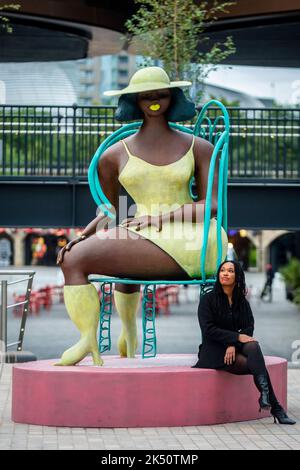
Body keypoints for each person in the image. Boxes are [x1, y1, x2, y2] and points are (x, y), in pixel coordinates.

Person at [55, 66, 228, 366]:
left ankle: (97, 341)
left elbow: (212, 206)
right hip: (137, 230)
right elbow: (117, 211)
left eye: (160, 94)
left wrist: (159, 219)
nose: (154, 101)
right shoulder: (113, 156)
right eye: (146, 96)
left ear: (173, 98)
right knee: (75, 255)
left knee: (81, 259)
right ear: (134, 101)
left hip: (191, 237)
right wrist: (83, 236)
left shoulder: (200, 147)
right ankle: (103, 336)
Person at [192, 260, 295, 424]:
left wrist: (233, 344)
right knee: (257, 364)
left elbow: (249, 326)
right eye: (223, 270)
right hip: (213, 351)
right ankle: (274, 406)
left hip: (232, 348)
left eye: (230, 271)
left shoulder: (241, 301)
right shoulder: (208, 299)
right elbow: (208, 330)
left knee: (253, 347)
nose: (225, 274)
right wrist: (236, 338)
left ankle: (267, 397)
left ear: (237, 276)